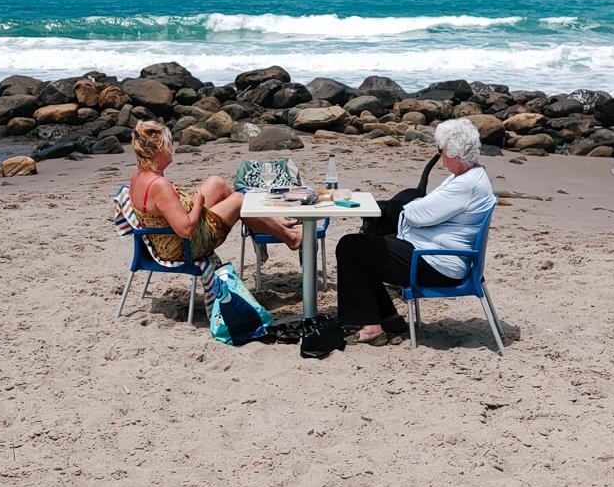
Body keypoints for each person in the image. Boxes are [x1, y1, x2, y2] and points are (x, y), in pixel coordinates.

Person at [335, 116, 494, 345]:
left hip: (437, 262)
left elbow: (417, 214)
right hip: (438, 254)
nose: (441, 158)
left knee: (351, 247)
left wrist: (410, 207)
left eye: (441, 151)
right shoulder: (474, 175)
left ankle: (372, 325)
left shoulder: (464, 184)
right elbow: (429, 209)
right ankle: (388, 318)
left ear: (454, 153)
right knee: (363, 244)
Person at [127, 120, 300, 263]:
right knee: (239, 199)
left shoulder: (139, 174)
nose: (172, 147)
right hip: (183, 245)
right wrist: (197, 204)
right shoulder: (159, 185)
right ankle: (291, 238)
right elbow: (186, 230)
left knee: (216, 182)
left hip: (170, 233)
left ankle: (267, 223)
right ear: (157, 150)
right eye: (168, 144)